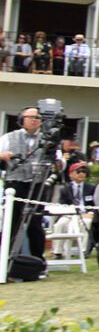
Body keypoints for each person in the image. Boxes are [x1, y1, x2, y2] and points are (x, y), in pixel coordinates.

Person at [0, 107, 53, 262]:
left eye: (37, 117)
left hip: (37, 185)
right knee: (12, 223)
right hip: (15, 184)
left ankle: (37, 261)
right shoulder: (9, 137)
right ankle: (5, 260)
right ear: (21, 120)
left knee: (35, 224)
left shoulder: (47, 140)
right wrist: (2, 156)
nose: (34, 120)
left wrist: (56, 163)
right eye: (30, 117)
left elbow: (59, 163)